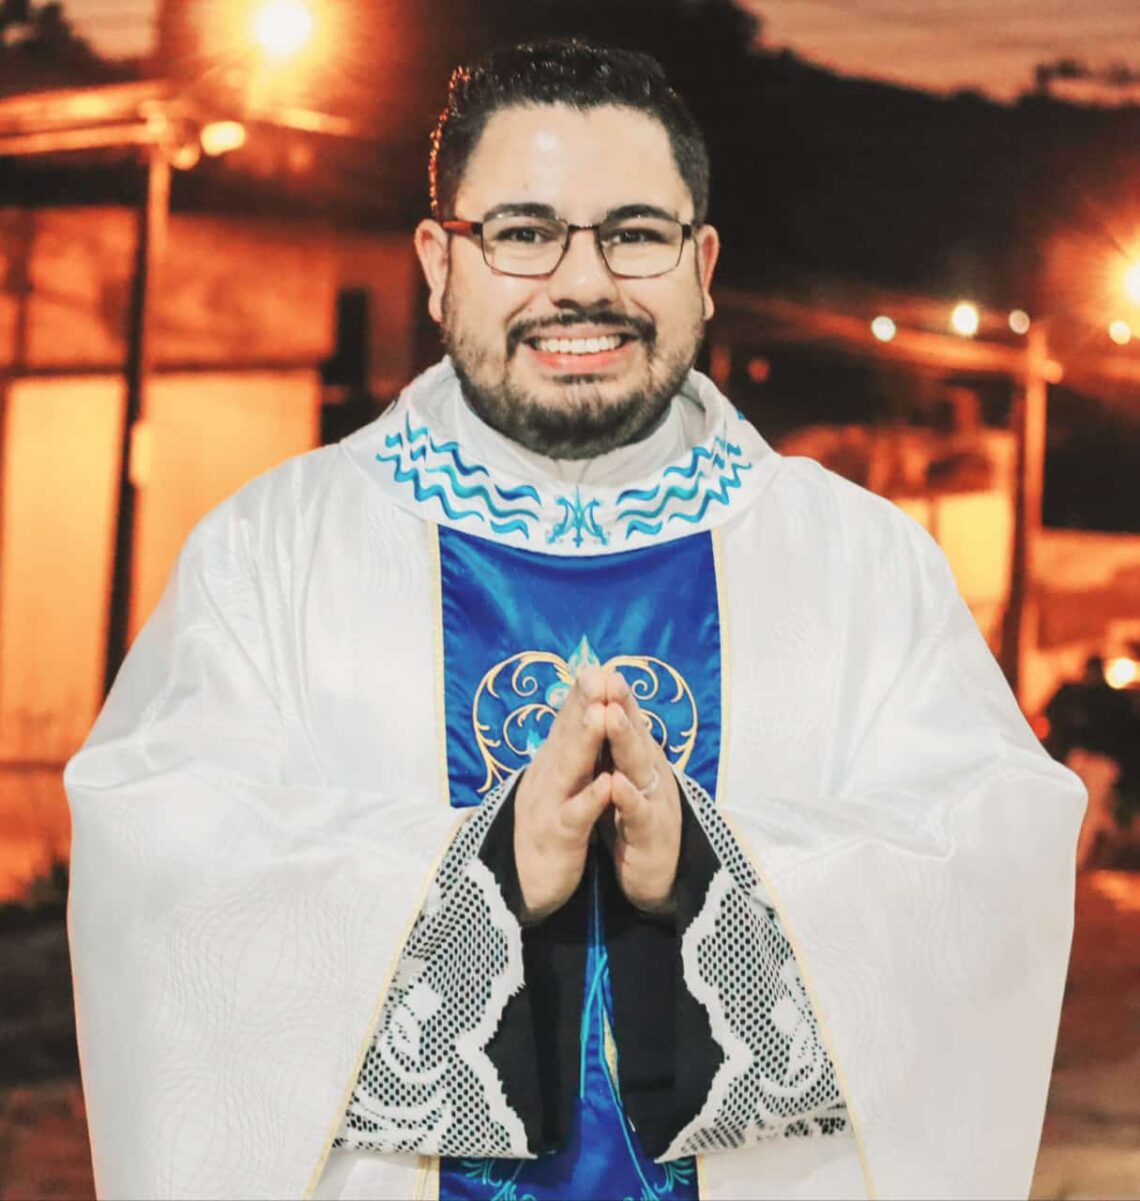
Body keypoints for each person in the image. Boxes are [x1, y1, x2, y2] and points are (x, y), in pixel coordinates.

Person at [65, 40, 1086, 1201]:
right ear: (440, 264)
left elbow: (991, 857)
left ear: (703, 266)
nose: (581, 281)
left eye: (636, 233)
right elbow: (162, 879)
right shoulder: (273, 553)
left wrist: (705, 876)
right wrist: (483, 874)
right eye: (522, 231)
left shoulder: (861, 564)